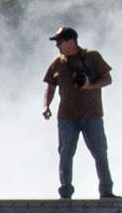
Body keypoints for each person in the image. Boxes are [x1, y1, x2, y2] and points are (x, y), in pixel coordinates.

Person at [43, 25, 116, 202]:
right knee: (66, 154)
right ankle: (65, 193)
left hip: (92, 115)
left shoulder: (92, 56)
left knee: (100, 152)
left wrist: (90, 85)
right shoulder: (57, 63)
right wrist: (46, 106)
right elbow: (50, 86)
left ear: (71, 42)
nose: (57, 46)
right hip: (67, 117)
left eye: (60, 42)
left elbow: (108, 79)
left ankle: (106, 191)